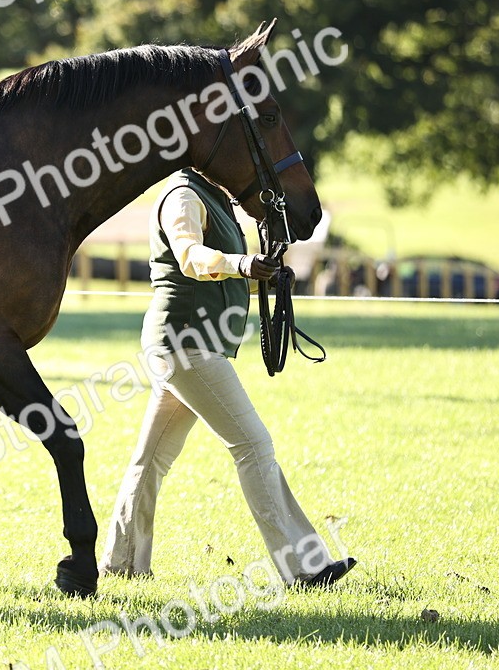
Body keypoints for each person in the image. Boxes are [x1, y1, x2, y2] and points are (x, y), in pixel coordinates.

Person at [99, 167, 355, 587]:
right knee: (254, 446)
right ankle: (305, 568)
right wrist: (242, 262)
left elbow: (223, 281)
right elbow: (191, 257)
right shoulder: (183, 195)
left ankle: (123, 564)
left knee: (151, 460)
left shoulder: (215, 198)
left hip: (189, 344)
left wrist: (264, 277)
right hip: (186, 343)